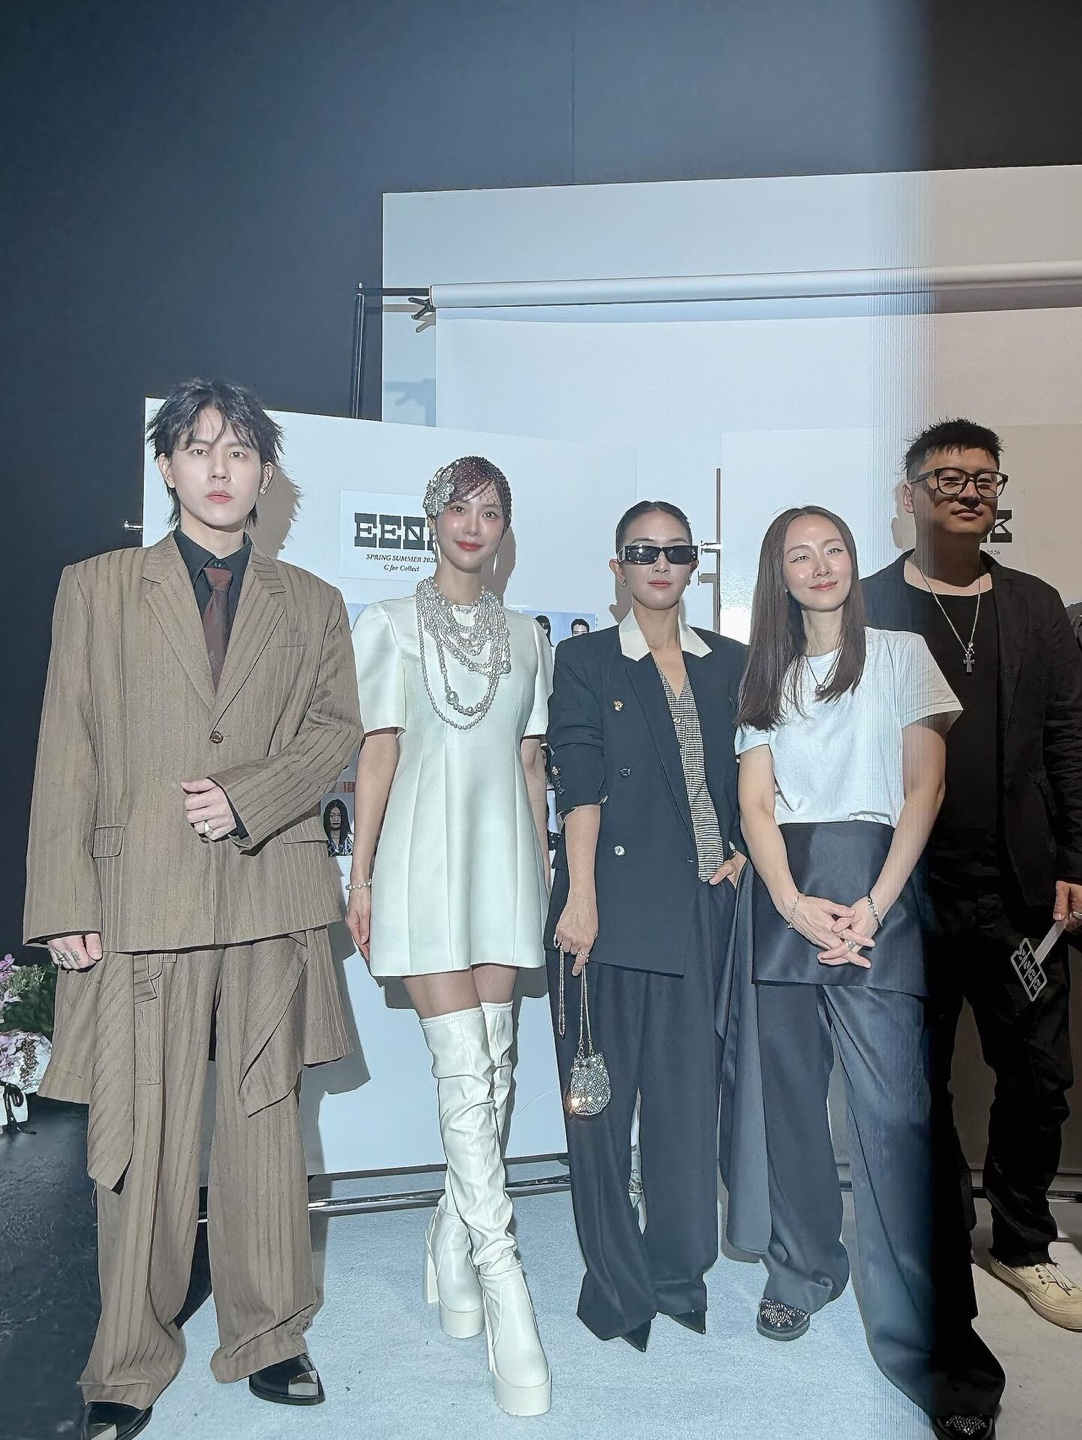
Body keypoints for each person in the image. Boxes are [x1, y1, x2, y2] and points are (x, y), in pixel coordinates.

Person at [24, 378, 363, 1440]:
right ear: (167, 466)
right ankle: (128, 1359)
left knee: (265, 1124)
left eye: (241, 451)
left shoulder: (311, 602)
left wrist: (250, 795)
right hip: (142, 895)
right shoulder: (95, 588)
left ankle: (271, 1335)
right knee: (140, 1136)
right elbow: (67, 744)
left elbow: (335, 730)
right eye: (200, 447)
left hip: (267, 891)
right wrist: (64, 900)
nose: (220, 467)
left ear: (265, 475)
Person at [733, 505, 1004, 1440]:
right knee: (791, 1107)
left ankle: (927, 1345)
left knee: (895, 1123)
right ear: (777, 575)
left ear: (854, 559)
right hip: (788, 899)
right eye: (799, 555)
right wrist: (790, 902)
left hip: (878, 888)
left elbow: (925, 785)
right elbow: (757, 804)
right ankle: (803, 1268)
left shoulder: (902, 655)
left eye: (834, 549)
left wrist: (875, 906)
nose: (820, 566)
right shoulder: (763, 674)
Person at [863, 420, 1082, 1332]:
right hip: (904, 893)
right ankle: (939, 1238)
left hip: (1019, 892)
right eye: (947, 477)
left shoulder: (1035, 605)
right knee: (914, 1085)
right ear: (908, 495)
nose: (968, 491)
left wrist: (1075, 861)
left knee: (1038, 1078)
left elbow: (1069, 739)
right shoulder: (866, 604)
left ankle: (1023, 1243)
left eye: (984, 479)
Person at [347, 456, 552, 1418]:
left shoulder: (529, 636)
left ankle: (449, 1234)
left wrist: (542, 866)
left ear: (506, 529)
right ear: (432, 520)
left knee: (497, 1066)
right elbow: (376, 754)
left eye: (491, 511)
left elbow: (530, 760)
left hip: (503, 858)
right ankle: (504, 1279)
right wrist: (360, 876)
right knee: (464, 1067)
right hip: (422, 860)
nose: (474, 524)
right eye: (458, 508)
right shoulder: (387, 623)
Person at [545, 500, 746, 1351]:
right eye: (642, 550)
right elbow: (579, 782)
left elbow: (755, 774)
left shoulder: (731, 662)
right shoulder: (586, 657)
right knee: (596, 1103)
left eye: (675, 550)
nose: (659, 563)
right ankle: (617, 1283)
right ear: (618, 566)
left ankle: (677, 1271)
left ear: (693, 564)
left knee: (685, 1102)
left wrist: (741, 850)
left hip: (701, 909)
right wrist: (580, 898)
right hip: (607, 905)